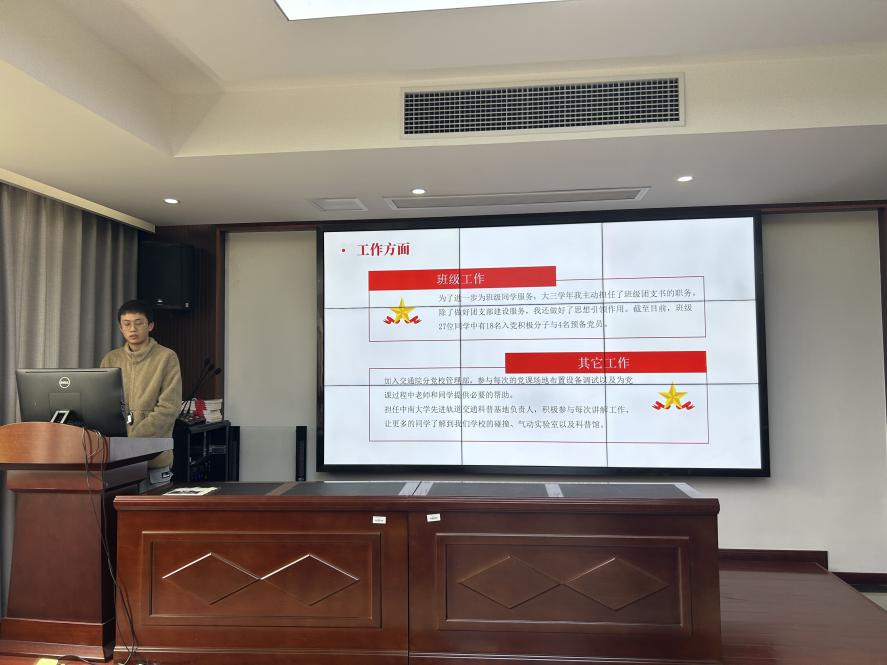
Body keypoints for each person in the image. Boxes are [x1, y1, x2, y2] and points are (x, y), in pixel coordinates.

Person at [101, 299, 181, 487]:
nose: (132, 329)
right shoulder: (111, 359)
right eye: (127, 324)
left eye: (138, 323)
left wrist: (132, 441)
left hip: (154, 459)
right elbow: (102, 406)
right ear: (120, 328)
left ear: (150, 325)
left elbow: (169, 408)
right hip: (118, 462)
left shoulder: (166, 357)